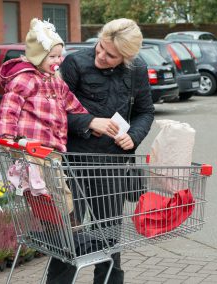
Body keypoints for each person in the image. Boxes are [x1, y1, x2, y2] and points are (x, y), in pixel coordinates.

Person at [46, 18, 155, 284]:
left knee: (109, 237)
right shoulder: (75, 64)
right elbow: (54, 113)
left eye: (110, 55)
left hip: (111, 167)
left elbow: (145, 111)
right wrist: (88, 122)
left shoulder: (137, 69)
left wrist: (133, 136)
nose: (101, 57)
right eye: (99, 48)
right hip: (74, 163)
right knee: (68, 238)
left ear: (127, 57)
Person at [0, 18, 88, 221]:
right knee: (54, 191)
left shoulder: (56, 82)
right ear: (38, 56)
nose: (58, 61)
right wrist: (6, 137)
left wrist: (89, 121)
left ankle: (60, 228)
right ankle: (68, 228)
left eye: (59, 56)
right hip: (31, 148)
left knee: (54, 190)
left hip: (52, 150)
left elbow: (72, 104)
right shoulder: (25, 79)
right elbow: (8, 109)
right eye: (52, 56)